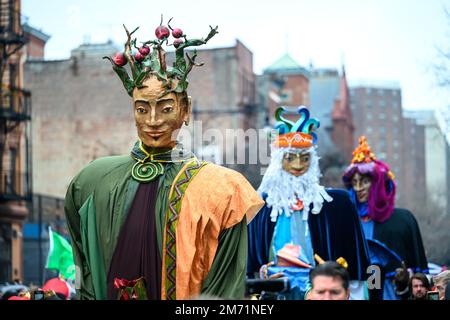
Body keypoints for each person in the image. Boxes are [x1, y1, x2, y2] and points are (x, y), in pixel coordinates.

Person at [64, 18, 264, 300]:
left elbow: (224, 288)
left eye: (166, 108)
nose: (153, 121)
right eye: (142, 109)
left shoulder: (223, 191)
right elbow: (84, 265)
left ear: (185, 110)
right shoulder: (93, 181)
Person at [247, 106, 370, 300]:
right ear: (279, 161)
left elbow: (355, 269)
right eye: (290, 158)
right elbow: (247, 264)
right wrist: (262, 275)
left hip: (321, 291)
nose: (297, 165)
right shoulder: (260, 206)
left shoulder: (336, 205)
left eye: (304, 159)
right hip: (276, 289)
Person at [342, 136, 428, 300]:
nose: (359, 188)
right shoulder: (346, 225)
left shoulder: (403, 220)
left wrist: (404, 280)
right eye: (355, 182)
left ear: (377, 185)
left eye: (364, 181)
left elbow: (421, 279)